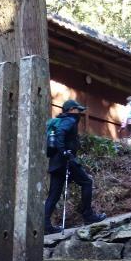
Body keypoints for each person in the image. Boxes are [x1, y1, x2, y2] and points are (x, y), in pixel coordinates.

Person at [43, 100, 106, 234]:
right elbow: (60, 134)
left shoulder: (62, 120)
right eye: (78, 110)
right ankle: (88, 215)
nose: (80, 113)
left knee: (53, 194)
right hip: (66, 161)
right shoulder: (69, 120)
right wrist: (64, 152)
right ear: (71, 109)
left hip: (55, 163)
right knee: (86, 182)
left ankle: (45, 225)